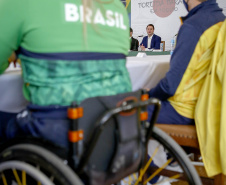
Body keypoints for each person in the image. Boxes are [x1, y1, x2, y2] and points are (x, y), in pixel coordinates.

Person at [0, 0, 132, 147]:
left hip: (56, 127)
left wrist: (11, 57)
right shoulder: (117, 7)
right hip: (116, 125)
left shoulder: (22, 3)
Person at [147, 0, 225, 125]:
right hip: (210, 108)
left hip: (184, 110)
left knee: (124, 112)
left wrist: (148, 94)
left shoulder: (193, 27)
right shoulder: (221, 19)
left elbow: (169, 87)